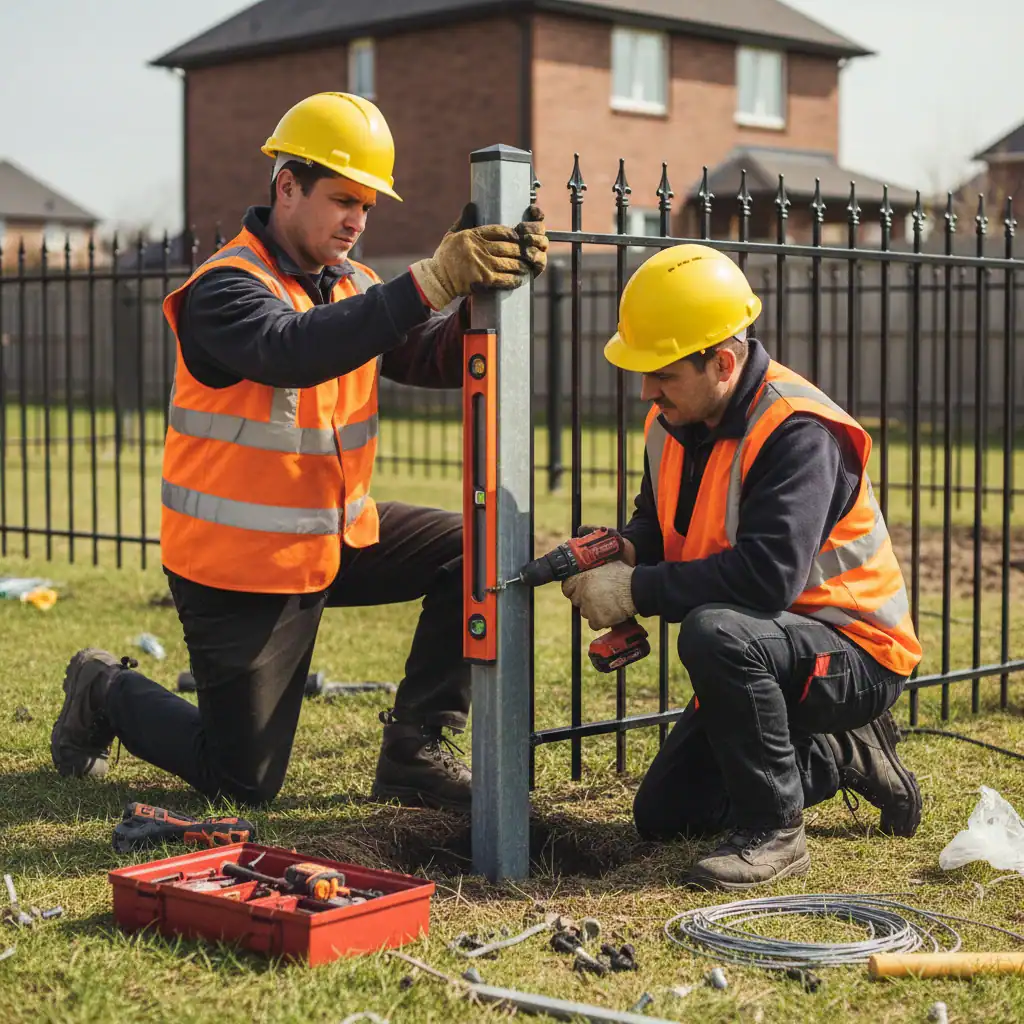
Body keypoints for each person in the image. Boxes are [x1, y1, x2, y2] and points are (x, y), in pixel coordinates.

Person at [51, 91, 547, 812]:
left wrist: (481, 295)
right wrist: (433, 278)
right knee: (241, 781)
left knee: (477, 544)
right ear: (287, 186)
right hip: (238, 568)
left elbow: (432, 355)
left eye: (369, 207)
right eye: (343, 198)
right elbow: (294, 349)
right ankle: (104, 688)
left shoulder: (353, 284)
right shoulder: (223, 289)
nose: (357, 219)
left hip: (335, 537)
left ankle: (415, 753)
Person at [560, 243, 922, 890]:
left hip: (856, 654)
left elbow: (766, 579)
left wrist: (635, 590)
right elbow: (659, 520)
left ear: (722, 362)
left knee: (715, 632)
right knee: (666, 815)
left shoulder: (797, 433)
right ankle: (842, 753)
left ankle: (774, 833)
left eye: (663, 374)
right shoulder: (675, 417)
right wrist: (627, 550)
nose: (647, 390)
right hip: (771, 644)